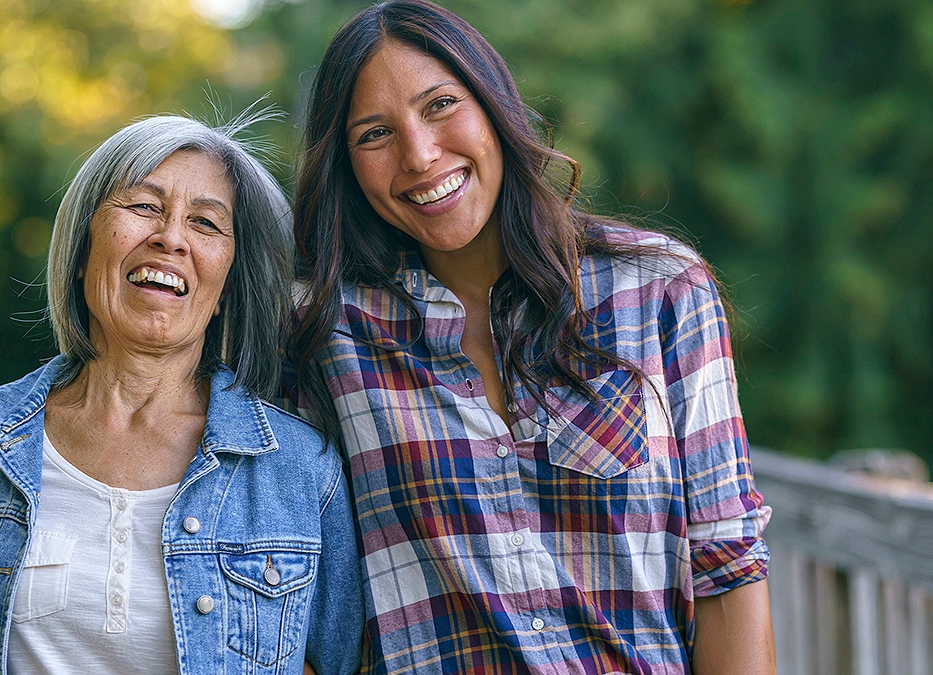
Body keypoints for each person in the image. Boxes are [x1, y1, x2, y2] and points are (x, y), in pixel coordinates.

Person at [286, 1, 774, 672]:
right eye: (374, 134)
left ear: (493, 104)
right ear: (344, 162)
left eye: (440, 105)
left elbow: (727, 564)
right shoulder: (323, 332)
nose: (420, 155)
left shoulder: (659, 288)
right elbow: (285, 575)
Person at [0, 113, 364, 674]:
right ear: (82, 250)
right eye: (144, 206)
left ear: (224, 285)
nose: (171, 237)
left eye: (205, 223)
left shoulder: (298, 472)